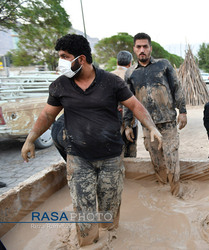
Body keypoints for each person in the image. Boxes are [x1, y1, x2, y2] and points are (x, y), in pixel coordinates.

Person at [21, 34, 162, 247]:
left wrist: (151, 127)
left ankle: (112, 240)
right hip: (79, 159)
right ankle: (88, 242)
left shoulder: (112, 82)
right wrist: (31, 138)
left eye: (64, 57)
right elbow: (48, 115)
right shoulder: (60, 86)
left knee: (109, 212)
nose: (60, 62)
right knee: (84, 213)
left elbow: (135, 106)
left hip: (111, 159)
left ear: (82, 59)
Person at [124, 32, 187, 196]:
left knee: (172, 159)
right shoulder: (130, 74)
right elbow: (128, 100)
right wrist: (127, 124)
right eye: (139, 47)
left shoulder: (163, 65)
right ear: (134, 49)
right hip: (147, 126)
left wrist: (183, 112)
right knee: (157, 161)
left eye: (145, 46)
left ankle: (175, 195)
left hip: (168, 124)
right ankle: (162, 192)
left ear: (150, 48)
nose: (142, 50)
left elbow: (177, 88)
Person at [111, 50, 138, 158]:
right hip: (131, 119)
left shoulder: (109, 75)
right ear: (130, 63)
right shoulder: (133, 76)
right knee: (130, 148)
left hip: (112, 118)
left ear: (117, 62)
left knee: (115, 149)